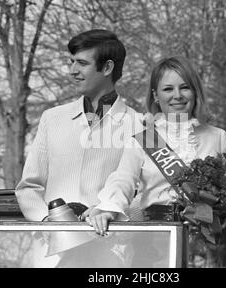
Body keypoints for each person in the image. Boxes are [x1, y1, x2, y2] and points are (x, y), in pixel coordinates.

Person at [15, 29, 141, 267]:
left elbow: (145, 195)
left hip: (109, 256)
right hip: (52, 255)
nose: (72, 70)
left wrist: (108, 212)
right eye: (71, 62)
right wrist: (48, 222)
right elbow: (28, 187)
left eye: (82, 63)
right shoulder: (51, 118)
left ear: (107, 68)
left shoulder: (140, 125)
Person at [88, 55, 226, 236]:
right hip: (156, 238)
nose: (177, 95)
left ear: (195, 92)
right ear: (156, 95)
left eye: (185, 88)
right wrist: (109, 208)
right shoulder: (142, 140)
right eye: (168, 89)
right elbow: (123, 179)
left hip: (205, 240)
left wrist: (225, 214)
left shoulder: (218, 137)